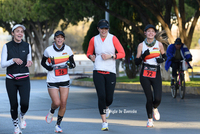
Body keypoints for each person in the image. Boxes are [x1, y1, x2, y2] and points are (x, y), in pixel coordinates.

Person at [87, 19, 125, 131]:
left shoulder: (113, 38)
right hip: (98, 70)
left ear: (108, 29)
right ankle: (104, 122)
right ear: (98, 29)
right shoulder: (94, 39)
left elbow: (122, 53)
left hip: (110, 72)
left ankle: (107, 106)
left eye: (105, 28)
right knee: (101, 96)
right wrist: (91, 57)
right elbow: (89, 52)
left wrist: (111, 56)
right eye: (101, 28)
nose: (104, 30)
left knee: (109, 98)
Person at [41, 30, 76, 133]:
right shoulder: (48, 50)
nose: (60, 39)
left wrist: (69, 64)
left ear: (64, 39)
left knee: (63, 103)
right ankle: (51, 111)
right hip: (52, 80)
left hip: (64, 79)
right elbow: (43, 62)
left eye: (62, 37)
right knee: (56, 103)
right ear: (55, 39)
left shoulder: (68, 49)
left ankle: (58, 125)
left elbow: (73, 64)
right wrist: (49, 68)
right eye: (58, 37)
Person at [1, 24, 33, 134]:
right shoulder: (7, 46)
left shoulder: (27, 46)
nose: (20, 33)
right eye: (17, 31)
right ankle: (16, 127)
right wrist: (13, 60)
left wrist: (29, 62)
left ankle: (22, 115)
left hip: (24, 79)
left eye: (21, 32)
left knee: (25, 104)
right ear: (13, 33)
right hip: (11, 80)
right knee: (13, 104)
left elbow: (29, 59)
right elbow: (3, 64)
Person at [134, 24, 167, 127]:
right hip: (145, 73)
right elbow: (136, 62)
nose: (150, 33)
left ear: (155, 33)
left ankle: (155, 108)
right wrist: (143, 55)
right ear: (145, 33)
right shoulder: (141, 45)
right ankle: (149, 120)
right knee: (149, 98)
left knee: (157, 98)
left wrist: (162, 59)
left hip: (156, 72)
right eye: (148, 31)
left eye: (153, 31)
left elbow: (165, 56)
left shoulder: (159, 44)